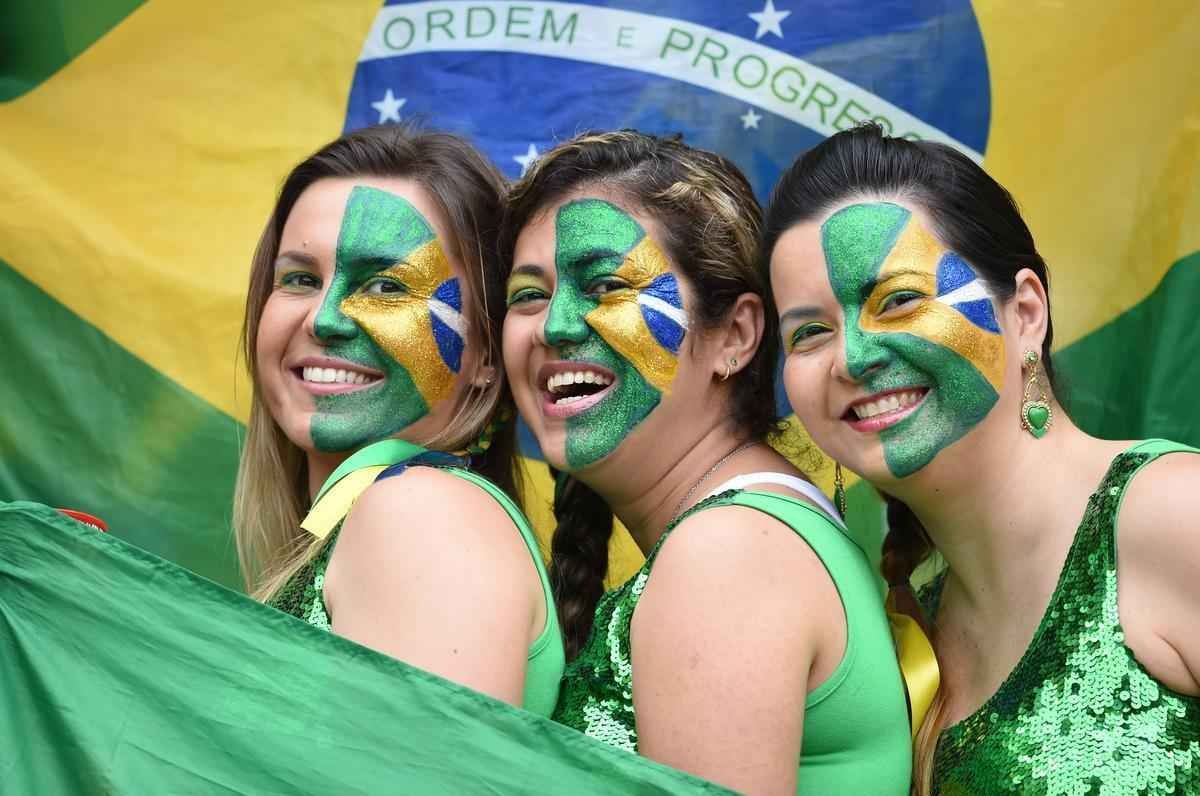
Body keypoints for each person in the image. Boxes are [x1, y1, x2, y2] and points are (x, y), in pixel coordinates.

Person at [763, 123, 1200, 794]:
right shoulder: (911, 634)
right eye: (810, 333)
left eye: (899, 300)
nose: (850, 357)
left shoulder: (1172, 513)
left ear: (1026, 311)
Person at [500, 130, 912, 793]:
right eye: (528, 294)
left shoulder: (729, 553)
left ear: (736, 336)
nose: (553, 325)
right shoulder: (747, 532)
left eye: (606, 284)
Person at [233, 125, 563, 716]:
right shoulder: (370, 514)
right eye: (301, 279)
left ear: (486, 352)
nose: (326, 318)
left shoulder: (421, 515)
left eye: (386, 286)